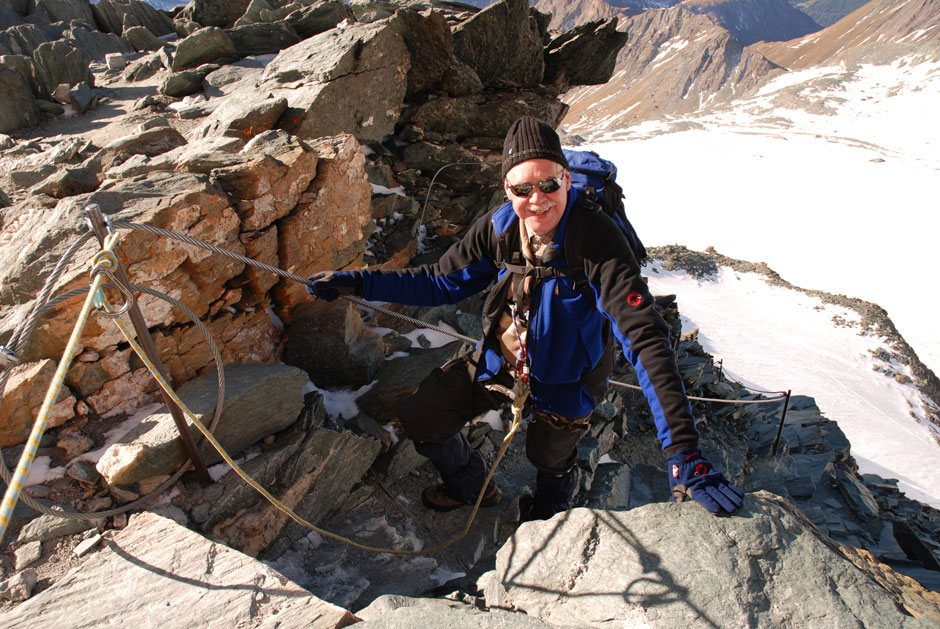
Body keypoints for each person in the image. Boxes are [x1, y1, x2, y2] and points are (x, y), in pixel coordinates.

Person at [308, 116, 744, 519]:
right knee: (425, 414)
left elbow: (644, 338)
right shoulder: (498, 228)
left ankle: (547, 519)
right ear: (506, 190)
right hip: (500, 363)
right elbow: (441, 282)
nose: (536, 200)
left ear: (567, 180)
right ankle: (471, 487)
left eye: (549, 184)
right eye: (522, 189)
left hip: (567, 382)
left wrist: (683, 449)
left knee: (550, 460)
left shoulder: (597, 239)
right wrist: (357, 284)